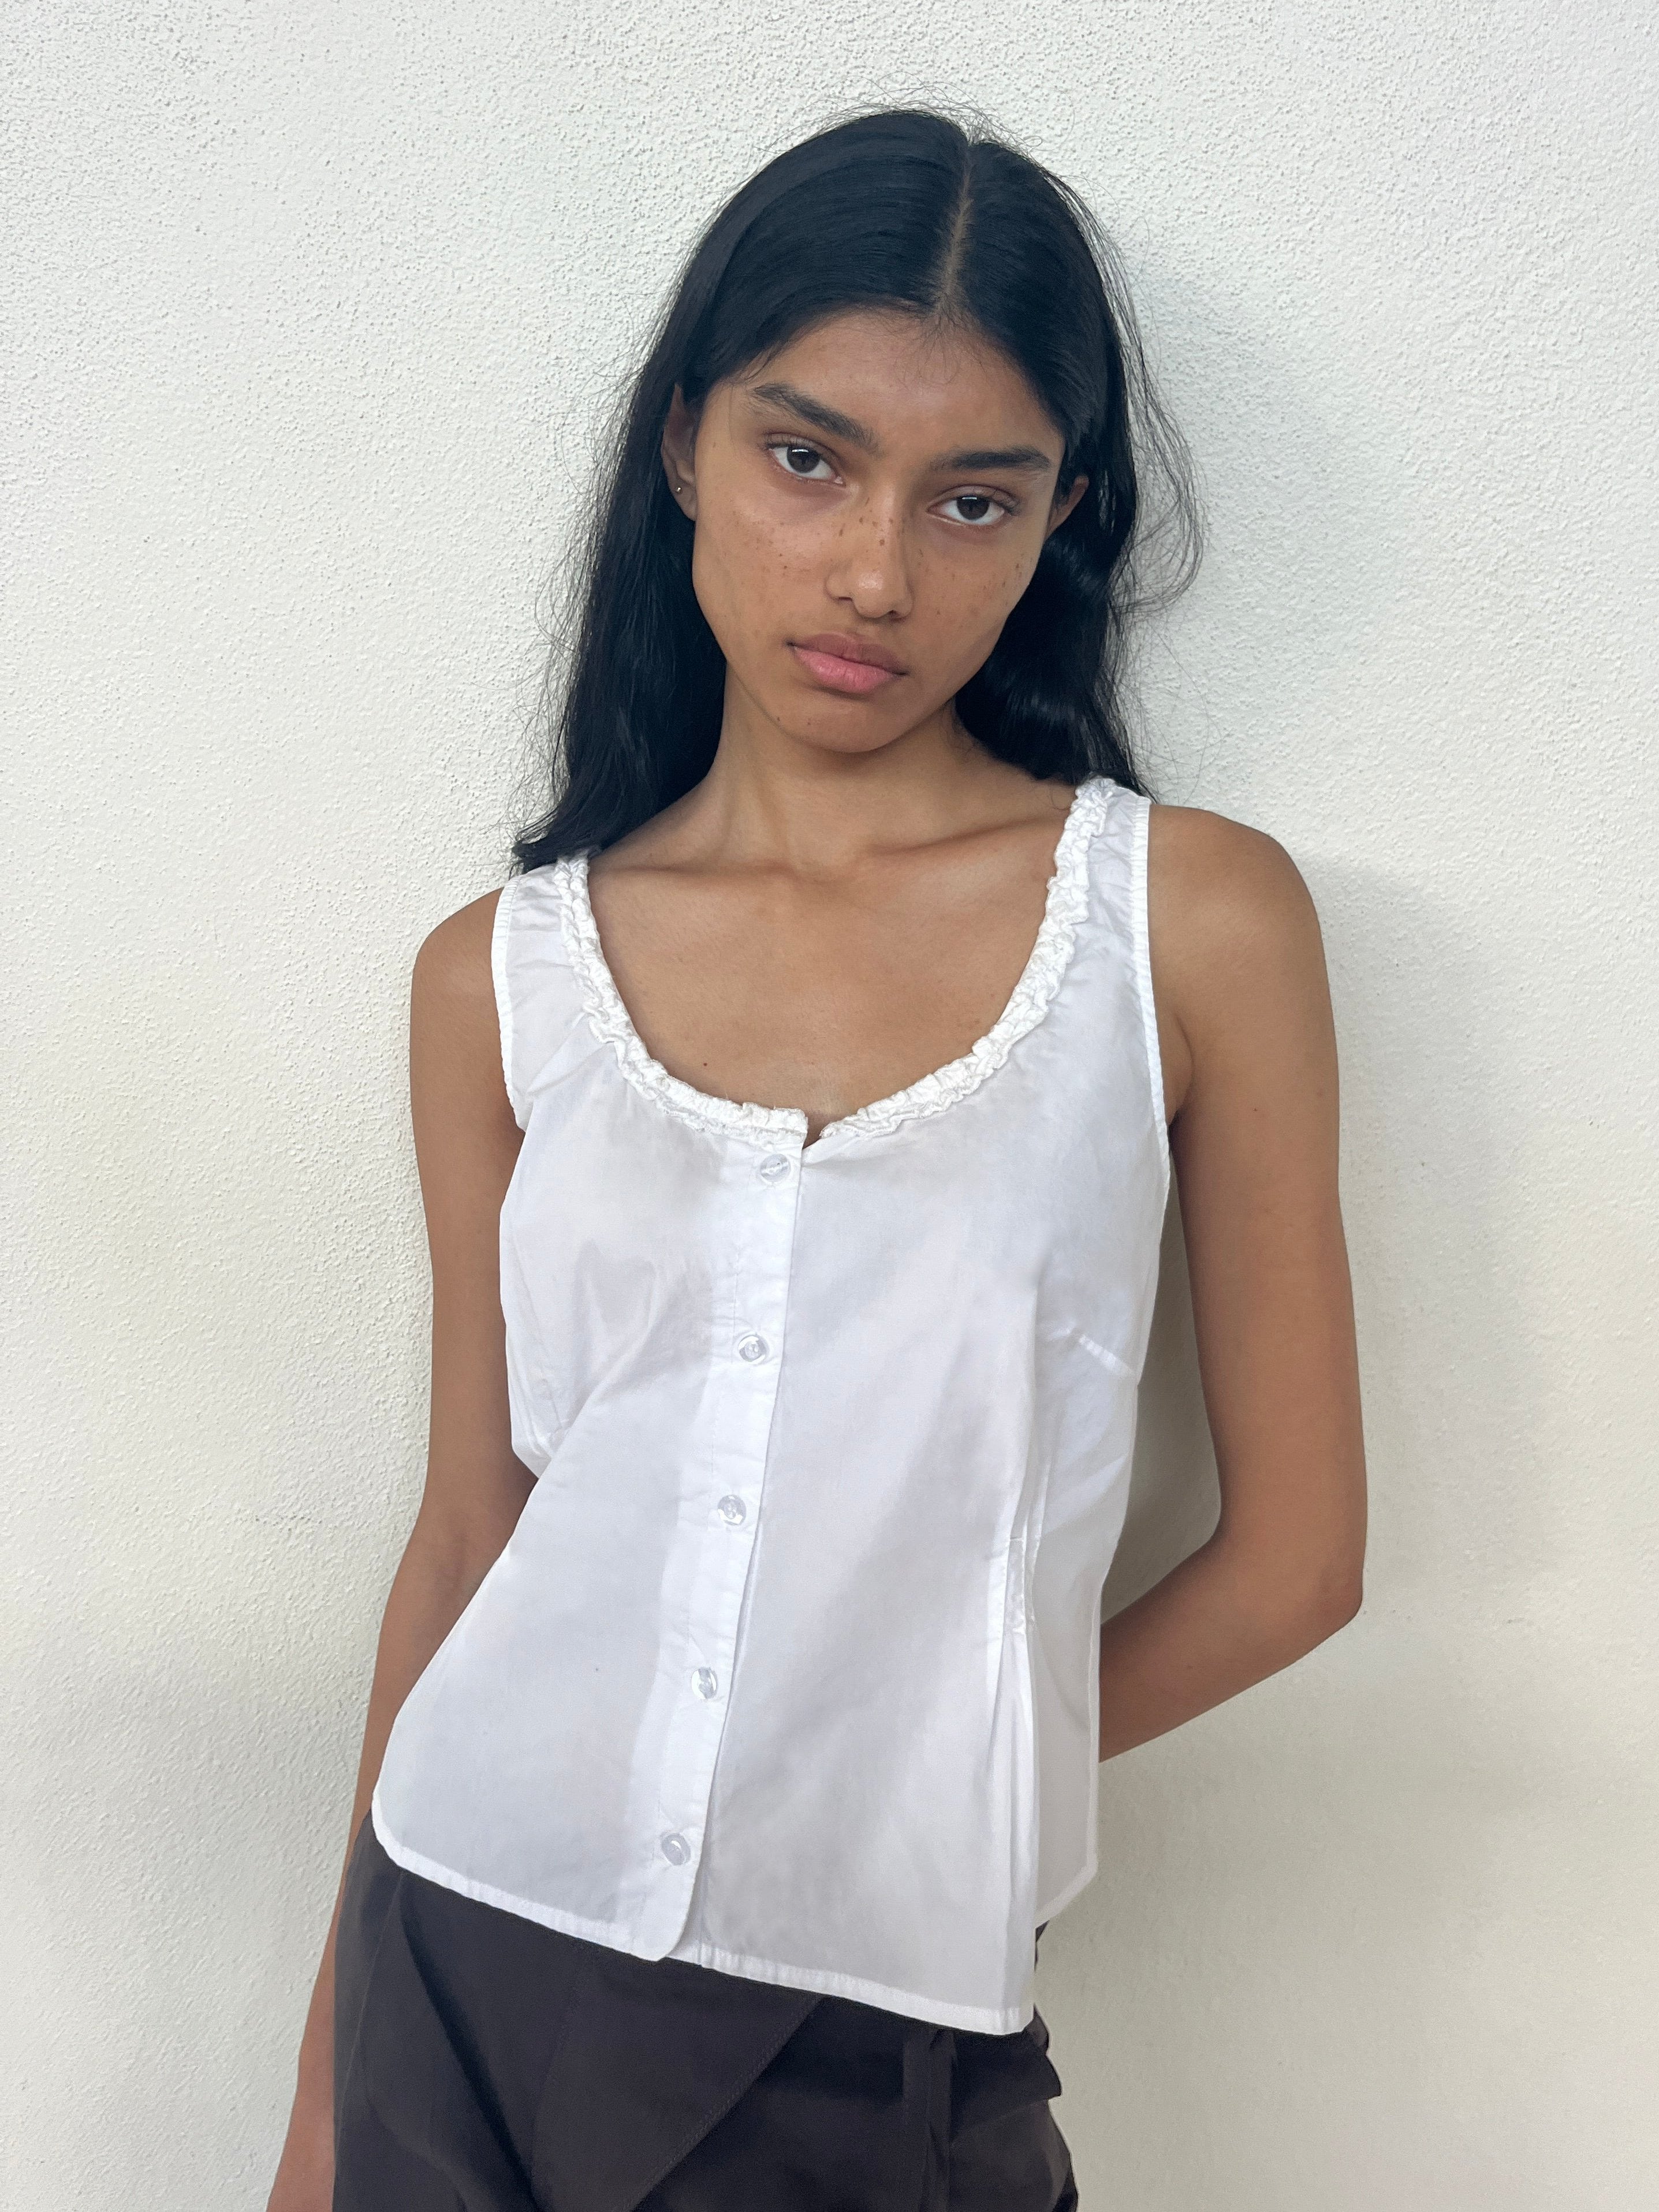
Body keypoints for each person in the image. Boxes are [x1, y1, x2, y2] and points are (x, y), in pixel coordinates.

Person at [267, 105, 1367, 2212]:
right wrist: (325, 2106)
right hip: (457, 1939)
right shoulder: (498, 979)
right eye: (806, 458)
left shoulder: (1190, 927)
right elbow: (471, 1532)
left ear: (1058, 521)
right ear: (683, 444)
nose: (875, 574)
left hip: (872, 2026)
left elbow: (1297, 1563)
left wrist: (915, 1785)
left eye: (974, 499)